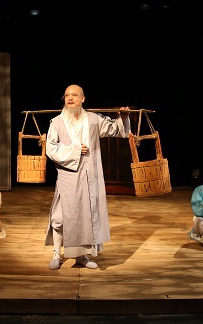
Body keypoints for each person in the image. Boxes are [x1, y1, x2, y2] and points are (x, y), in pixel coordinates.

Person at [44, 84, 131, 270]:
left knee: (85, 216)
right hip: (68, 176)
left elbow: (115, 130)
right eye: (67, 95)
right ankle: (56, 252)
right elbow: (51, 148)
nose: (70, 98)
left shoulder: (93, 119)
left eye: (74, 95)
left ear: (82, 99)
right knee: (60, 216)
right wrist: (75, 150)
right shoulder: (57, 122)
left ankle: (81, 256)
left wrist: (123, 117)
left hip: (90, 175)